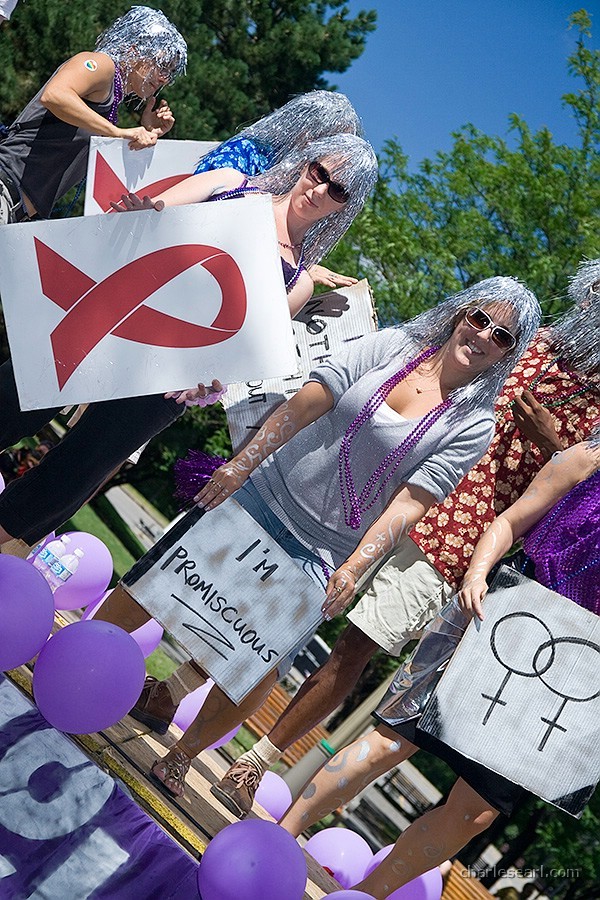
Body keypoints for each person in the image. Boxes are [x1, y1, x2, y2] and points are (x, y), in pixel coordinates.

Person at [97, 276, 541, 798]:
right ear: (459, 315)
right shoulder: (393, 345)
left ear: (507, 355)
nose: (485, 335)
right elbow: (310, 399)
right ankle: (85, 654)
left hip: (324, 548)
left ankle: (181, 756)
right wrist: (243, 463)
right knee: (160, 585)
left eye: (503, 337)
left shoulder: (474, 423)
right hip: (261, 495)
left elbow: (411, 502)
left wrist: (353, 567)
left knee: (259, 658)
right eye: (480, 319)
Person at [207, 258, 600, 816]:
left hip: (456, 537)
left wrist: (556, 444)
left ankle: (256, 761)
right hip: (378, 489)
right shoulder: (523, 339)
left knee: (353, 647)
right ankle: (175, 692)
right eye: (593, 293)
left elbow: (577, 516)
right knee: (282, 612)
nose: (592, 307)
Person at [0, 133, 378, 545]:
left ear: (346, 204)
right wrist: (139, 213)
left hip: (169, 378)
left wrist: (208, 383)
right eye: (319, 172)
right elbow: (157, 212)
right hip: (113, 313)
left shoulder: (300, 282)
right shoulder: (229, 183)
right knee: (14, 394)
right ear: (306, 164)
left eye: (336, 188)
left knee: (78, 469)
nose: (319, 189)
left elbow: (239, 353)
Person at [279, 432, 600, 900]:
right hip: (501, 619)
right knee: (394, 740)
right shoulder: (588, 459)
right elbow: (508, 524)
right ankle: (282, 831)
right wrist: (475, 575)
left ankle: (367, 894)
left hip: (575, 678)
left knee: (480, 810)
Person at [0, 5, 186, 224]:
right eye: (160, 65)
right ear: (135, 50)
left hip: (16, 211)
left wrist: (146, 132)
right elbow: (54, 95)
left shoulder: (111, 100)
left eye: (170, 72)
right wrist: (117, 132)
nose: (164, 78)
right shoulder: (101, 65)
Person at [193, 89, 362, 290]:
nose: (334, 152)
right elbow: (209, 208)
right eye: (331, 140)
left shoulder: (310, 188)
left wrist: (299, 272)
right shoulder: (248, 153)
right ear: (307, 129)